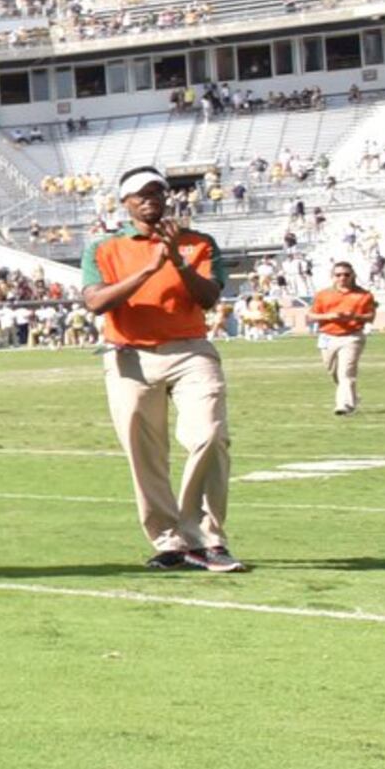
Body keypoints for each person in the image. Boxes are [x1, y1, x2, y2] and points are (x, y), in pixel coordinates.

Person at [82, 165, 241, 572]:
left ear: (168, 197)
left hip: (190, 350)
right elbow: (96, 302)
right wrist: (149, 269)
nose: (150, 198)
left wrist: (177, 261)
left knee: (209, 435)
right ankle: (169, 541)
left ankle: (207, 537)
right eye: (140, 194)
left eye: (157, 191)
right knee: (144, 453)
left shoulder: (199, 243)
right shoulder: (103, 248)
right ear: (125, 203)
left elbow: (208, 298)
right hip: (129, 356)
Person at [310, 261, 377, 416]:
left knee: (346, 372)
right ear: (332, 277)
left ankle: (344, 405)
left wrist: (353, 316)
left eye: (346, 274)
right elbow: (312, 315)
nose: (342, 278)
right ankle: (352, 395)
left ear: (352, 275)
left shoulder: (364, 295)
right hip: (328, 336)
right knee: (332, 371)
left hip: (352, 337)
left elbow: (371, 316)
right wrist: (329, 316)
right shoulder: (323, 295)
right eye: (338, 275)